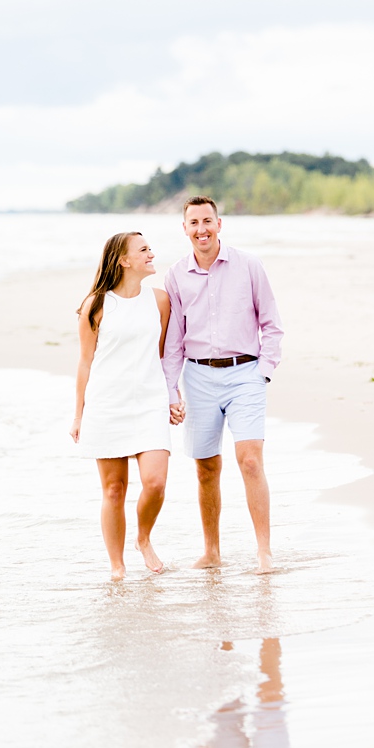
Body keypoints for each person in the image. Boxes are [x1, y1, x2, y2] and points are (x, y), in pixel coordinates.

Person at [162, 195, 285, 574]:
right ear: (185, 229)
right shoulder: (175, 275)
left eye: (207, 221)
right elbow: (174, 342)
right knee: (206, 469)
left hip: (245, 374)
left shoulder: (248, 265)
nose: (201, 229)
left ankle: (263, 552)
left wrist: (263, 371)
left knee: (249, 460)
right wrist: (171, 390)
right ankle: (212, 551)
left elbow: (272, 324)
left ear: (219, 224)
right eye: (194, 223)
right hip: (197, 377)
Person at [71, 231, 183, 580]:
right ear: (124, 260)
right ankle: (117, 566)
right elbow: (85, 362)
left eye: (150, 248)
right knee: (114, 489)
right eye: (144, 249)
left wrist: (171, 396)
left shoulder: (160, 301)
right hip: (107, 405)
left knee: (155, 482)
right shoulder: (97, 305)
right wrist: (79, 414)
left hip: (148, 402)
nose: (152, 253)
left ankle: (143, 537)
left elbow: (164, 356)